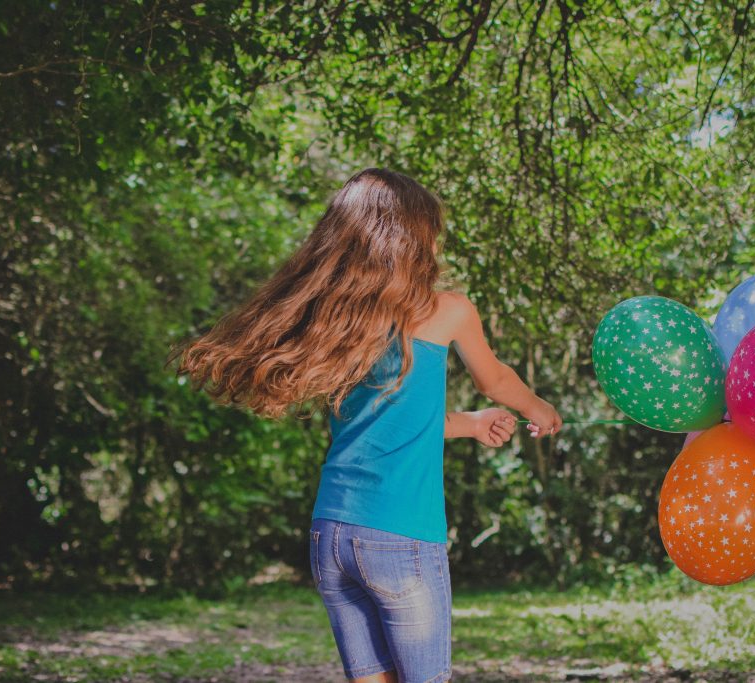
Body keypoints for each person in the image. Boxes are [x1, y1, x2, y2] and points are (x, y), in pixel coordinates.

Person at [173, 168, 562, 682]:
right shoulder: (446, 310)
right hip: (400, 536)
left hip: (331, 534)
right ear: (414, 238)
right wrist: (538, 408)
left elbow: (385, 420)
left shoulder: (338, 323)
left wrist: (469, 425)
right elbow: (495, 380)